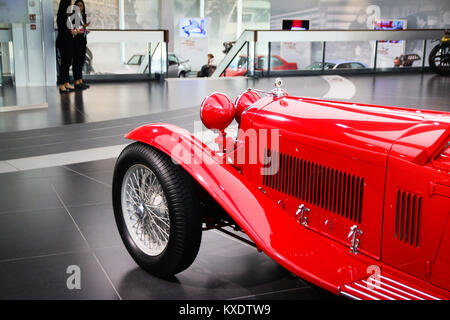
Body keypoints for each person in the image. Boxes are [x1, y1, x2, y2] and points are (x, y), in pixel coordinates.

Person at [56, 0, 77, 93]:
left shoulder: (67, 15)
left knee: (68, 62)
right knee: (64, 63)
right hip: (63, 41)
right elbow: (64, 30)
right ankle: (62, 84)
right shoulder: (61, 16)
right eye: (70, 3)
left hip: (68, 41)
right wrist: (72, 31)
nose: (71, 5)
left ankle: (66, 82)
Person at [73, 0, 90, 90]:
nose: (79, 7)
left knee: (81, 61)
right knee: (76, 62)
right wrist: (85, 30)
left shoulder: (83, 16)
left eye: (81, 5)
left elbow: (82, 28)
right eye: (78, 5)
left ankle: (80, 80)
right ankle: (76, 81)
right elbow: (76, 29)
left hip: (83, 41)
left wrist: (85, 30)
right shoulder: (74, 16)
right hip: (76, 41)